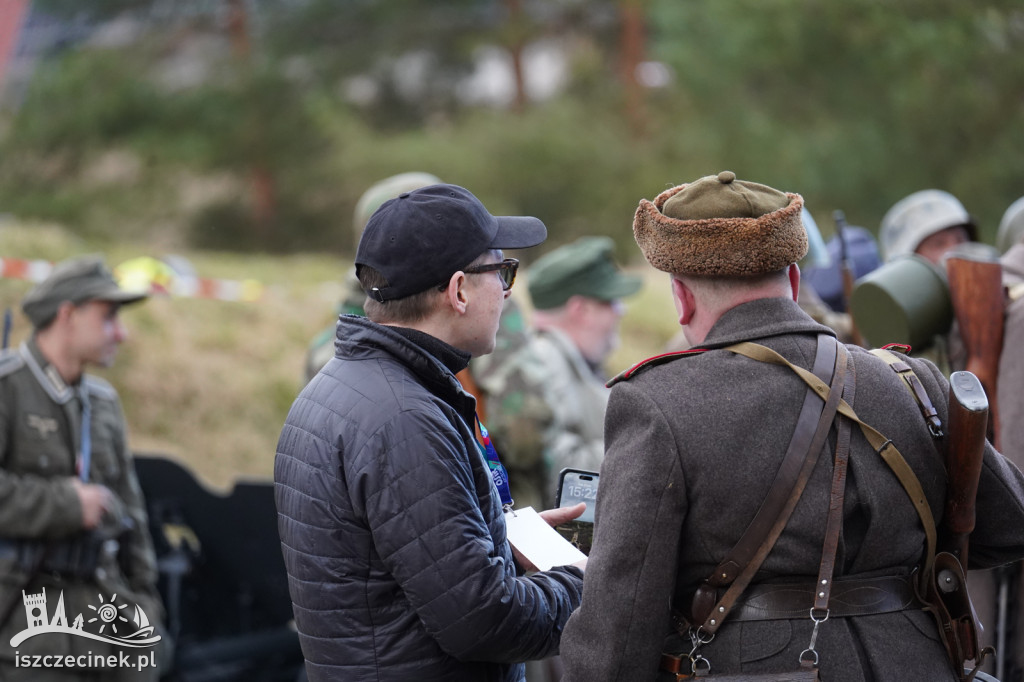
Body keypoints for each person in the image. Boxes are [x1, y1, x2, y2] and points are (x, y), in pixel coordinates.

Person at [559, 171, 1024, 680]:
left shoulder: (656, 402)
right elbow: (1008, 526)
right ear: (795, 281)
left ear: (683, 298)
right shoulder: (913, 382)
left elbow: (620, 634)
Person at [275, 183, 586, 682]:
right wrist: (583, 582)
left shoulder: (347, 387)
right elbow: (485, 621)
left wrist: (497, 542)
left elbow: (393, 567)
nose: (507, 293)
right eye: (502, 273)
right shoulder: (404, 419)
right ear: (459, 290)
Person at [0, 255, 167, 681]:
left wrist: (147, 613)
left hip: (104, 628)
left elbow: (134, 525)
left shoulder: (103, 403)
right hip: (24, 634)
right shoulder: (9, 390)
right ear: (68, 314)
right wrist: (67, 504)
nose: (121, 333)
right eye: (108, 316)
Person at [481, 236, 642, 509]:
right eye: (612, 303)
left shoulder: (572, 361)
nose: (620, 312)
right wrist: (645, 446)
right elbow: (554, 468)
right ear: (582, 309)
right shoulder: (547, 364)